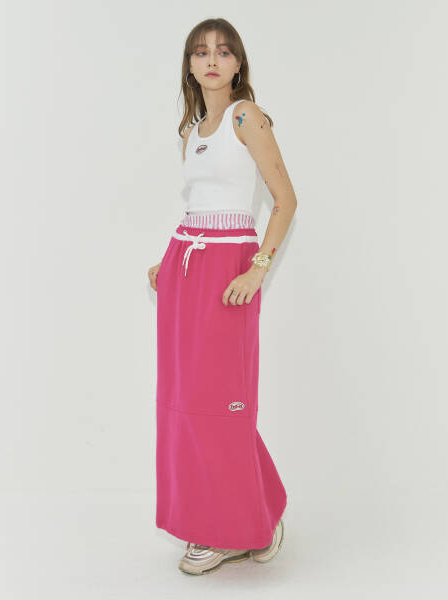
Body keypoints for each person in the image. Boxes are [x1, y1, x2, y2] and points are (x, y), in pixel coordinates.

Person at [148, 18, 297, 576]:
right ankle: (240, 514)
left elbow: (285, 200)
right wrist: (168, 263)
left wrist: (258, 269)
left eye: (224, 51)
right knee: (184, 400)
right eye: (201, 52)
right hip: (187, 265)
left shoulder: (245, 117)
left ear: (238, 64)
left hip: (231, 270)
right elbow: (199, 206)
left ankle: (235, 526)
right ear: (189, 66)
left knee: (224, 403)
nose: (212, 60)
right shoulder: (193, 130)